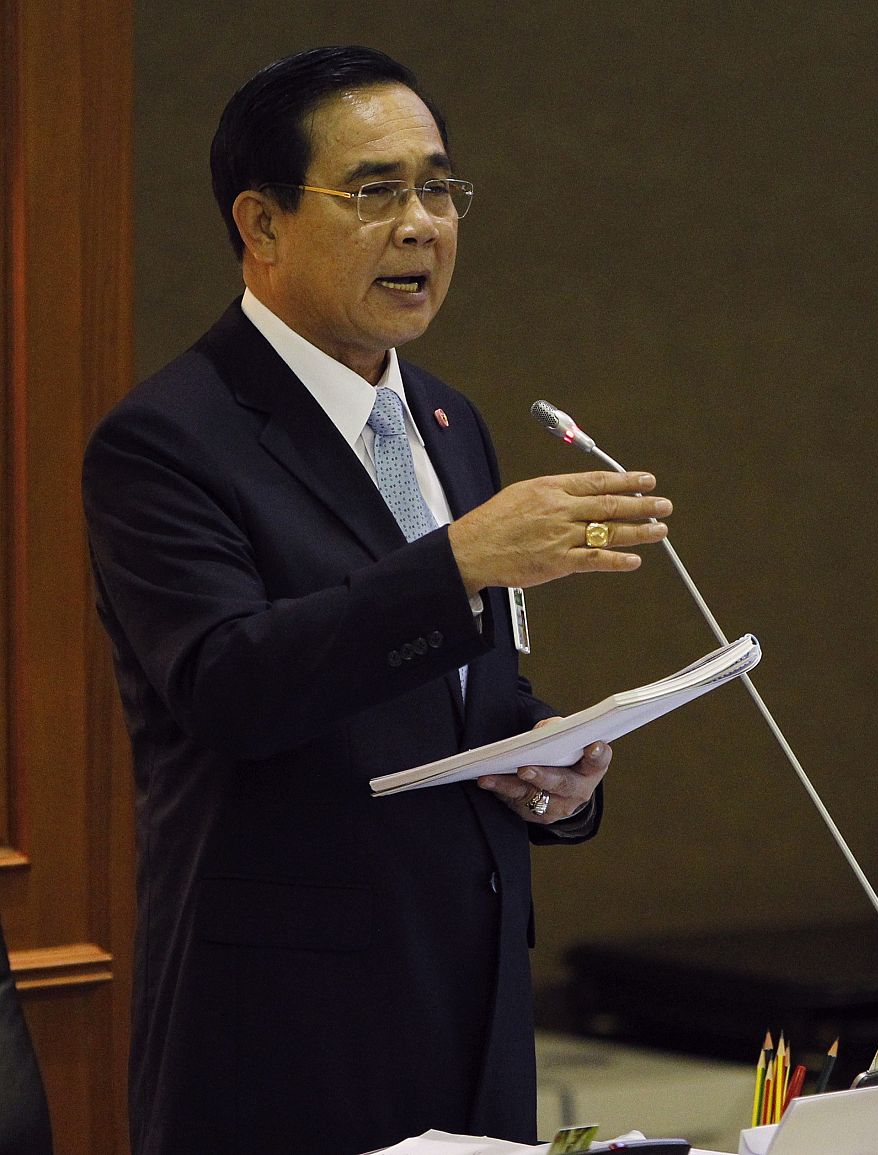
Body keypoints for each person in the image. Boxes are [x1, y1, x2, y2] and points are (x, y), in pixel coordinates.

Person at [82, 46, 670, 1155]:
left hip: (476, 999)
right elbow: (228, 686)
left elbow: (455, 688)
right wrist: (453, 565)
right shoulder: (166, 440)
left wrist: (555, 768)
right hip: (284, 1031)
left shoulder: (448, 423)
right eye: (375, 192)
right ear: (260, 227)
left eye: (439, 189)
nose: (421, 225)